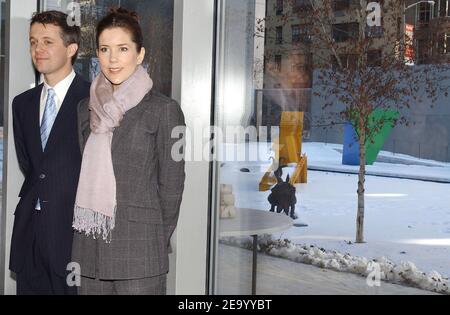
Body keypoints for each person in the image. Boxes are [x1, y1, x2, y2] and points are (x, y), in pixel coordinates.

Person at [71, 8, 186, 295]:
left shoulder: (163, 110)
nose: (112, 59)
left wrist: (154, 240)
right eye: (104, 49)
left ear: (140, 54)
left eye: (122, 49)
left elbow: (171, 187)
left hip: (140, 253)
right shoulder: (84, 110)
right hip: (89, 250)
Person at [9, 10, 90, 295]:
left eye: (47, 41)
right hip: (29, 232)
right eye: (33, 42)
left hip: (73, 236)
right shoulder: (22, 104)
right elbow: (29, 164)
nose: (37, 49)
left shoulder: (94, 101)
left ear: (71, 48)